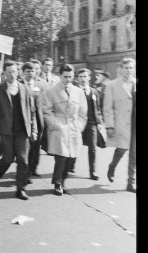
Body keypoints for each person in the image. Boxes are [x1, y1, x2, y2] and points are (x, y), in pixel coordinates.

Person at [0, 60, 38, 200]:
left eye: (15, 71)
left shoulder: (26, 89)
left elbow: (32, 112)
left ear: (18, 72)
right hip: (6, 131)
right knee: (7, 158)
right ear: (4, 73)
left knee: (23, 160)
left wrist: (33, 129)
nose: (12, 74)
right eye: (9, 72)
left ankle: (20, 189)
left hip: (23, 131)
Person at [43, 63, 87, 196]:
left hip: (73, 127)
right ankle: (57, 183)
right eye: (65, 76)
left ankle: (63, 181)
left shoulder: (78, 92)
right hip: (59, 127)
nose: (68, 79)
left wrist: (79, 125)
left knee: (71, 158)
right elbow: (47, 111)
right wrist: (56, 124)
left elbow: (83, 112)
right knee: (61, 157)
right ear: (60, 76)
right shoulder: (51, 91)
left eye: (70, 77)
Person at [104, 58, 136, 192]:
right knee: (121, 150)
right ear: (121, 69)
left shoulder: (135, 83)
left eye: (131, 68)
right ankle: (112, 167)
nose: (128, 70)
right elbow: (108, 107)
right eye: (126, 68)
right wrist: (109, 126)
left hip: (134, 123)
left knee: (134, 154)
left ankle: (131, 182)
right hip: (121, 123)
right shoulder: (112, 85)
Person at [20, 62, 46, 179]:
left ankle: (33, 169)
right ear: (23, 72)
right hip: (24, 120)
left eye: (33, 71)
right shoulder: (19, 85)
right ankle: (25, 172)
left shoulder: (40, 86)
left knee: (36, 147)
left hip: (38, 120)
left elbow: (43, 103)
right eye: (28, 71)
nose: (30, 73)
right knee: (26, 147)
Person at [77, 68, 104, 181]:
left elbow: (97, 108)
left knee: (92, 148)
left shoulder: (94, 92)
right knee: (75, 145)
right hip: (77, 122)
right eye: (81, 77)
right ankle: (70, 166)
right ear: (78, 78)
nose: (83, 79)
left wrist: (99, 122)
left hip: (91, 123)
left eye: (85, 76)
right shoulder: (75, 91)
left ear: (89, 77)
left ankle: (92, 171)